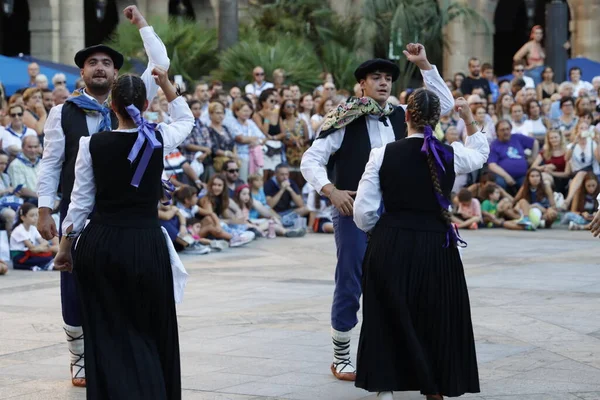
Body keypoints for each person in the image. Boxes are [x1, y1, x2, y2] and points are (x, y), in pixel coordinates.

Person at [300, 43, 454, 382]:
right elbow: (310, 160)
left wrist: (426, 64)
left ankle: (398, 350)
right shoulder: (344, 118)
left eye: (387, 78)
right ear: (362, 84)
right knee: (352, 276)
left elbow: (444, 105)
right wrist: (331, 190)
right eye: (375, 77)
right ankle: (341, 354)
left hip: (396, 212)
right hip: (353, 209)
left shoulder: (403, 114)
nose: (383, 82)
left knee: (397, 278)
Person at [36, 5, 170, 388]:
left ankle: (116, 352)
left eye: (107, 63)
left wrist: (142, 26)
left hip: (123, 216)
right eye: (92, 62)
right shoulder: (63, 112)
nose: (99, 67)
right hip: (79, 215)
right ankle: (79, 358)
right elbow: (49, 163)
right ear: (82, 72)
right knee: (74, 286)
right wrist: (45, 209)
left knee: (121, 287)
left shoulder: (131, 100)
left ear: (115, 73)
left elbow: (160, 62)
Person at [53, 65, 192, 399]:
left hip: (101, 244)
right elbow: (186, 120)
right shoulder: (158, 137)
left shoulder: (91, 144)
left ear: (111, 106)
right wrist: (166, 85)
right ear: (145, 106)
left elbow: (80, 203)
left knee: (106, 330)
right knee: (148, 326)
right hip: (145, 244)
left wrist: (64, 247)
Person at [353, 94, 488, 399]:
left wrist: (384, 231)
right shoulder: (451, 153)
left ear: (406, 118)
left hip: (390, 242)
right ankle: (434, 387)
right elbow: (480, 153)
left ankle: (384, 387)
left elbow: (364, 212)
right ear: (437, 120)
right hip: (436, 244)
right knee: (436, 315)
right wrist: (467, 117)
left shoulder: (382, 153)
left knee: (384, 314)